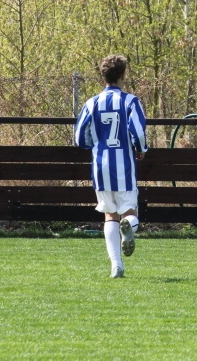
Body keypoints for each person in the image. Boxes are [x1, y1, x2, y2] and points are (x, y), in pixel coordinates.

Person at [74, 54, 147, 279]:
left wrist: (93, 144)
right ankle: (129, 226)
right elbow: (139, 132)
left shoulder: (91, 102)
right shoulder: (130, 101)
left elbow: (79, 138)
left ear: (103, 76)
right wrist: (141, 149)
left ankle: (116, 266)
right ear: (123, 75)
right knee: (129, 213)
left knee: (109, 216)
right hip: (123, 165)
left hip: (101, 166)